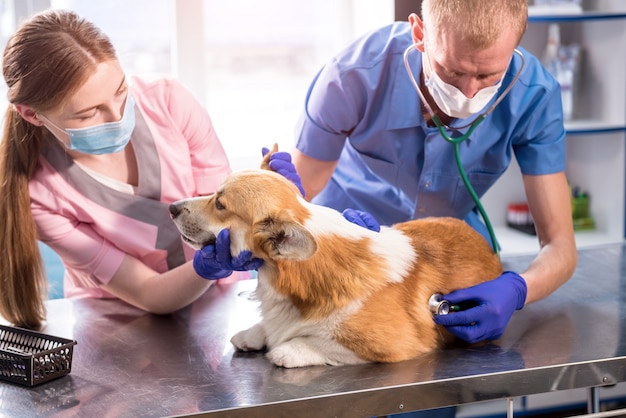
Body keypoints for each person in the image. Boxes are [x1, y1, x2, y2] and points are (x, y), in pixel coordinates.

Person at [292, 0, 577, 348]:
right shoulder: (352, 75)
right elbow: (296, 197)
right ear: (419, 33)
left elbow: (560, 246)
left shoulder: (534, 95)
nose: (468, 94)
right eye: (452, 72)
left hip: (438, 267)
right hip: (343, 252)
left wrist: (518, 288)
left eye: (488, 76)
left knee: (431, 389)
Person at [0, 9, 274, 329]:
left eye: (120, 91)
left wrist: (269, 191)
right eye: (89, 114)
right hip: (120, 328)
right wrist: (207, 266)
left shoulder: (168, 102)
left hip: (225, 306)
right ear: (31, 114)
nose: (117, 117)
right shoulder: (40, 198)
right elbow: (148, 292)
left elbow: (220, 211)